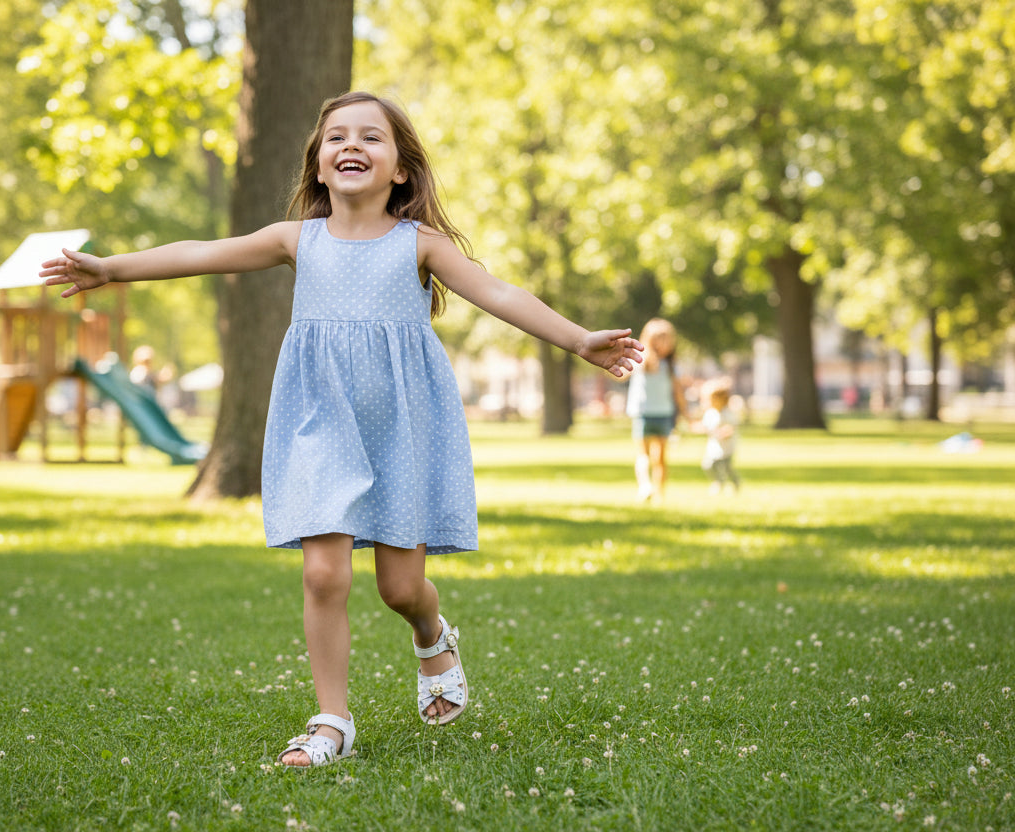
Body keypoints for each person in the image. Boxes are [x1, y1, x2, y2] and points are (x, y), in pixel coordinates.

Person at [39, 91, 644, 768]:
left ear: (402, 171)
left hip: (399, 428)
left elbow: (499, 293)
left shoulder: (423, 245)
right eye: (336, 139)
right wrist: (112, 268)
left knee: (398, 588)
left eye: (371, 138)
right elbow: (204, 251)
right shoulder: (297, 238)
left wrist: (575, 339)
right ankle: (332, 721)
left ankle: (431, 631)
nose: (351, 146)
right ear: (320, 167)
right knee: (324, 575)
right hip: (320, 420)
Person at [621, 318, 687, 502]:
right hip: (643, 414)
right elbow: (621, 374)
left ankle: (660, 493)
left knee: (660, 458)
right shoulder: (640, 361)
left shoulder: (671, 366)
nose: (665, 344)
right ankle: (645, 486)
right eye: (661, 339)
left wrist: (684, 412)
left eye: (668, 340)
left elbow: (678, 391)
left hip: (664, 414)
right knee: (644, 455)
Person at [700, 377, 741, 493]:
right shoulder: (710, 413)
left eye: (710, 399)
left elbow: (730, 429)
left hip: (727, 448)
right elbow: (705, 426)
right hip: (713, 448)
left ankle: (734, 482)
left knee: (727, 468)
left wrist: (721, 433)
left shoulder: (728, 414)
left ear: (721, 399)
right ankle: (718, 482)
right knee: (708, 465)